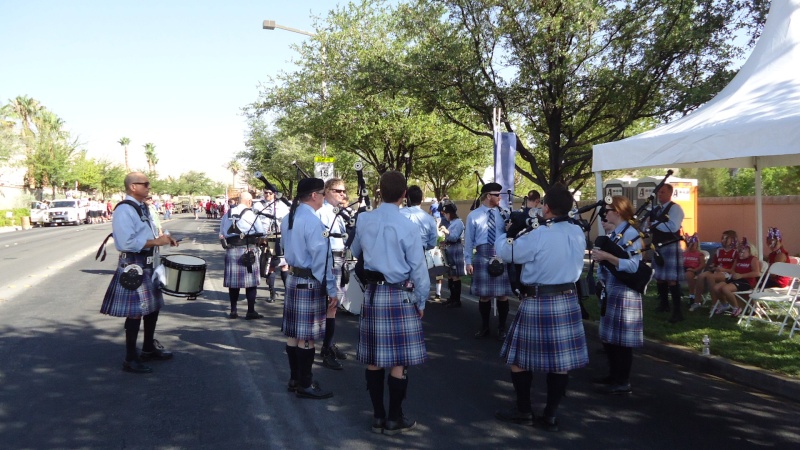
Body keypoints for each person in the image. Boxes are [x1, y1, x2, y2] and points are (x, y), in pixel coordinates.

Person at [494, 184, 588, 431]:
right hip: (567, 299)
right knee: (560, 364)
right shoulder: (578, 232)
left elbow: (506, 253)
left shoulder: (539, 234)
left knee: (519, 360)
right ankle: (550, 415)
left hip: (538, 300)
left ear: (546, 208)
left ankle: (524, 411)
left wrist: (505, 233)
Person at [351, 171, 429, 435]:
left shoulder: (363, 220)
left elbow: (354, 253)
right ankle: (395, 418)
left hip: (373, 294)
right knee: (399, 361)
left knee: (373, 359)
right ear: (404, 194)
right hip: (400, 295)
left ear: (378, 192)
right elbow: (419, 269)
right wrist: (421, 301)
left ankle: (377, 417)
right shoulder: (409, 225)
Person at [100, 172, 179, 374]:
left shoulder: (142, 207)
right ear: (133, 186)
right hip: (134, 264)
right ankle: (130, 358)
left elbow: (146, 234)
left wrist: (163, 238)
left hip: (149, 262)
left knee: (152, 308)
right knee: (135, 312)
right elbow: (126, 243)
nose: (148, 187)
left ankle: (148, 348)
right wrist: (156, 242)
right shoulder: (124, 210)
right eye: (145, 184)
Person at [280, 177, 338, 400]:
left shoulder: (289, 217)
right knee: (307, 337)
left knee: (294, 335)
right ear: (314, 195)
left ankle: (295, 379)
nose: (323, 197)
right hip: (309, 282)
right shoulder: (313, 221)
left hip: (294, 278)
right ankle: (305, 383)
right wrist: (331, 289)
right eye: (322, 194)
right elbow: (321, 259)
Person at [590, 196, 644, 395]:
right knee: (610, 338)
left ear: (618, 212)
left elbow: (633, 265)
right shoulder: (614, 233)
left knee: (621, 341)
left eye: (609, 210)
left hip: (625, 291)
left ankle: (623, 381)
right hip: (611, 288)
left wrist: (607, 257)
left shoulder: (631, 234)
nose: (605, 214)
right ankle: (613, 375)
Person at [465, 182, 513, 340]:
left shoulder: (505, 213)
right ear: (487, 196)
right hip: (482, 255)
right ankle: (485, 326)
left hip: (501, 255)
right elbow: (468, 240)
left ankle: (502, 327)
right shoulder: (474, 215)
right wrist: (468, 261)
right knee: (484, 296)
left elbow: (511, 235)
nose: (500, 197)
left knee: (503, 295)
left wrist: (510, 229)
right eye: (497, 195)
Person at [316, 178, 350, 370]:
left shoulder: (337, 212)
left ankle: (329, 343)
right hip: (329, 260)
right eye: (338, 191)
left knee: (334, 307)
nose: (343, 195)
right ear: (326, 191)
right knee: (330, 305)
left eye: (344, 191)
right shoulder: (323, 213)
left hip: (339, 259)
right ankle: (326, 349)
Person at [219, 192, 265, 320]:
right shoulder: (251, 214)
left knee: (233, 283)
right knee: (251, 283)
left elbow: (222, 233)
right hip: (247, 249)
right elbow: (262, 232)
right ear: (249, 202)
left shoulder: (226, 215)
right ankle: (250, 311)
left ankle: (233, 311)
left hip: (231, 250)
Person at [649, 184, 685, 323]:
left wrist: (655, 223)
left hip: (670, 245)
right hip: (657, 245)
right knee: (660, 277)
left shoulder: (675, 208)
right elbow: (651, 226)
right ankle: (664, 305)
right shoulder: (656, 209)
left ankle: (677, 311)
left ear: (670, 193)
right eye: (659, 192)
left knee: (671, 279)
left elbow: (672, 226)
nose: (660, 194)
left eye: (663, 192)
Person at [401, 185, 439, 298]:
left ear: (407, 198)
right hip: (419, 252)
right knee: (419, 281)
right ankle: (418, 304)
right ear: (421, 199)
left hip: (400, 252)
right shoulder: (429, 219)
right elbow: (432, 243)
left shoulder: (399, 214)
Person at [253, 188, 290, 304]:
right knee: (271, 265)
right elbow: (256, 221)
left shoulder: (282, 205)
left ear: (275, 194)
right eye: (266, 193)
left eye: (270, 193)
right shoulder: (259, 205)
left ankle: (288, 293)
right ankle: (272, 292)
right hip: (268, 238)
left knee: (284, 265)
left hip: (281, 237)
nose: (267, 195)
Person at [710, 238, 761, 317]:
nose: (740, 254)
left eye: (743, 252)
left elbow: (756, 273)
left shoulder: (753, 259)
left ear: (750, 251)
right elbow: (732, 270)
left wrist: (741, 275)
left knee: (725, 289)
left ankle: (736, 308)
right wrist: (733, 274)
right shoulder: (738, 259)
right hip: (735, 279)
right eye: (739, 251)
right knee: (716, 287)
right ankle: (724, 304)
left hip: (746, 282)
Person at [694, 230, 738, 308]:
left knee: (710, 277)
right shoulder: (719, 251)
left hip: (727, 274)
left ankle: (715, 304)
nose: (723, 240)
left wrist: (722, 269)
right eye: (722, 238)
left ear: (733, 240)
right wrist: (712, 267)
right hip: (717, 271)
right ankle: (697, 302)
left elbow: (733, 270)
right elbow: (714, 264)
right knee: (701, 276)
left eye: (726, 238)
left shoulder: (735, 252)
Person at [439, 203, 465, 308]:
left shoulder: (458, 223)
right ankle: (451, 297)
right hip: (450, 248)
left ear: (450, 213)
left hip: (456, 249)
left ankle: (456, 299)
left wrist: (446, 231)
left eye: (446, 213)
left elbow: (454, 237)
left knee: (455, 275)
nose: (445, 215)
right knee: (450, 274)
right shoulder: (452, 222)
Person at [683, 234, 707, 312]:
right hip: (683, 268)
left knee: (689, 274)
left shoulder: (700, 254)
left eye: (694, 244)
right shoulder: (684, 253)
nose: (692, 245)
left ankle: (692, 296)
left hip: (693, 269)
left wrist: (695, 270)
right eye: (690, 243)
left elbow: (703, 264)